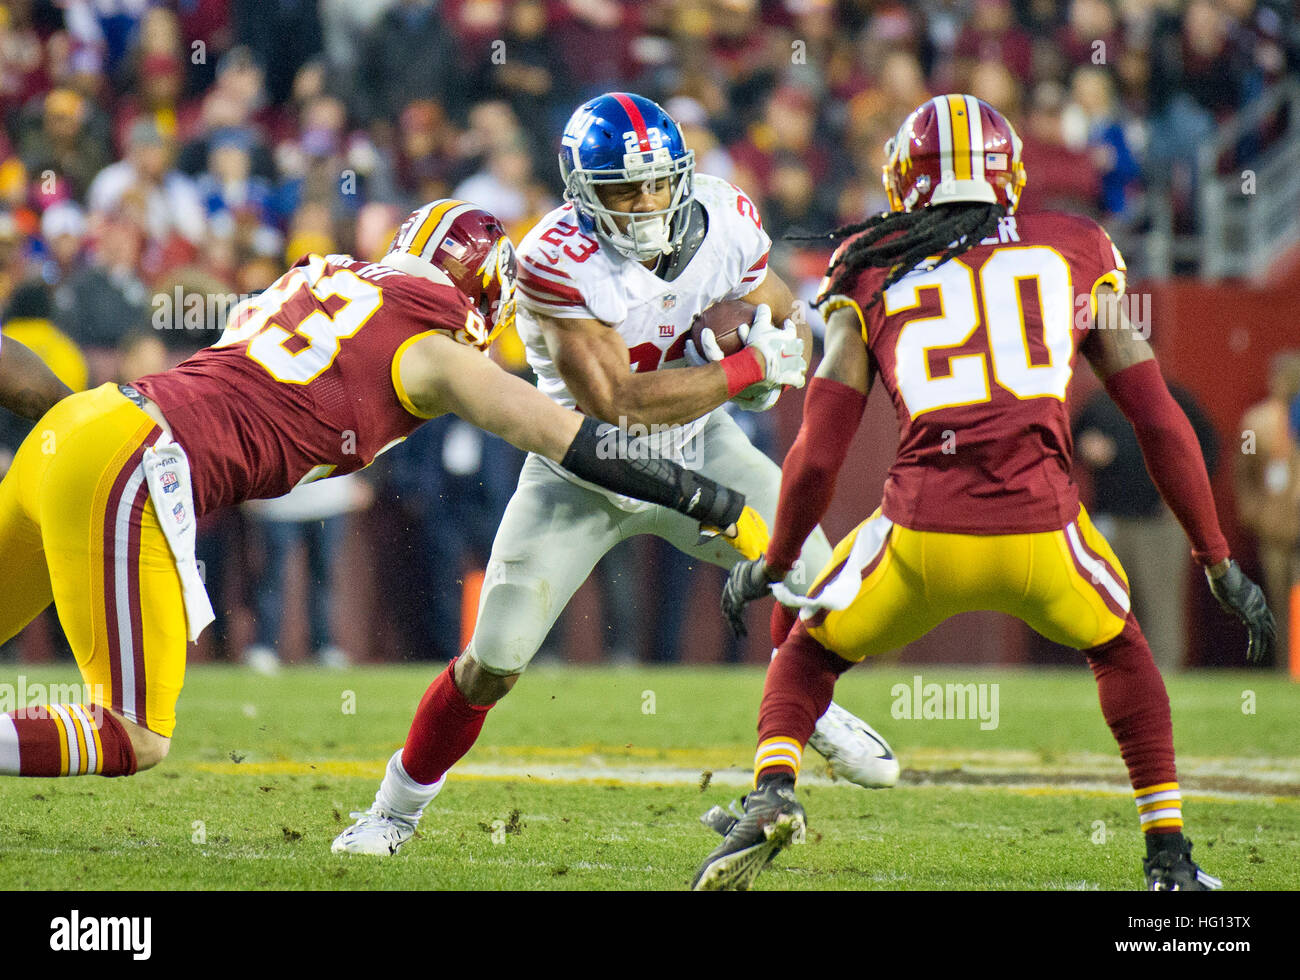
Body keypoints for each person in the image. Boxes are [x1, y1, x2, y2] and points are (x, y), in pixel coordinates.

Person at [692, 95, 1276, 892]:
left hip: (922, 534)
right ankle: (1168, 855)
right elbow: (1158, 417)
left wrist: (779, 561)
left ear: (904, 179)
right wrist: (1216, 559)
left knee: (804, 655)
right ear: (1011, 174)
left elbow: (819, 452)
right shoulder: (1074, 244)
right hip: (1044, 534)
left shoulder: (870, 261)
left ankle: (772, 793)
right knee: (1121, 650)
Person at [0, 200, 766, 783]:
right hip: (133, 463)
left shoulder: (322, 273)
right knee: (133, 735)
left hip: (84, 424)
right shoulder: (431, 350)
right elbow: (574, 439)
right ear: (486, 293)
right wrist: (712, 501)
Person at [334, 93, 899, 858]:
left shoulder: (726, 216)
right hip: (585, 472)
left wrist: (774, 349)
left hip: (703, 447)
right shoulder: (553, 260)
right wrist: (747, 368)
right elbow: (618, 403)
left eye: (658, 183)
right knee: (491, 663)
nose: (646, 203)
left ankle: (809, 710)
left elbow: (777, 308)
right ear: (581, 193)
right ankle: (391, 813)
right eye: (623, 189)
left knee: (823, 590)